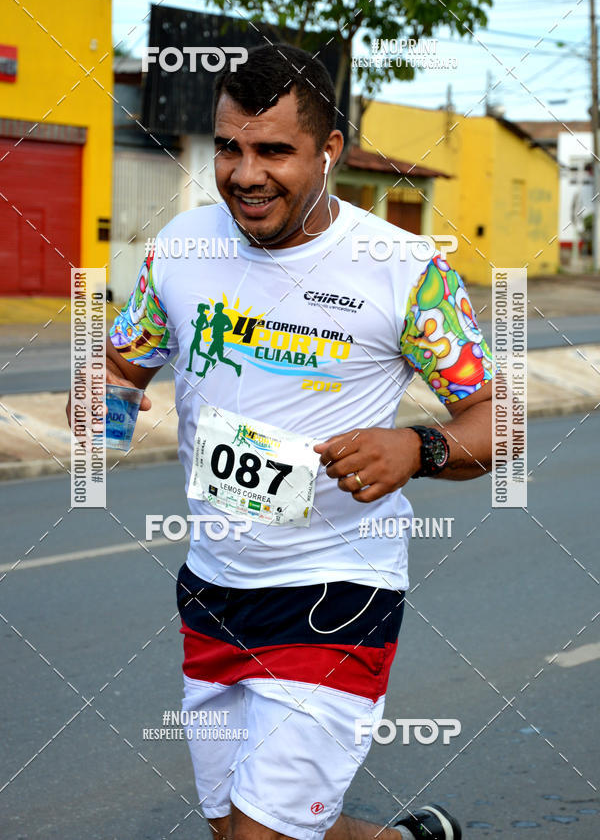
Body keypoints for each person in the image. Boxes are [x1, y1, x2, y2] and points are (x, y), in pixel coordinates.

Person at [77, 45, 494, 840]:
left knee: (258, 833)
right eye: (228, 148)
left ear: (329, 150)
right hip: (215, 586)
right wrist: (103, 401)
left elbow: (494, 418)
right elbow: (122, 365)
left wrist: (418, 449)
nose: (245, 174)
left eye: (273, 151)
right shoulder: (183, 248)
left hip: (338, 591)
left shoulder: (405, 269)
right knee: (242, 822)